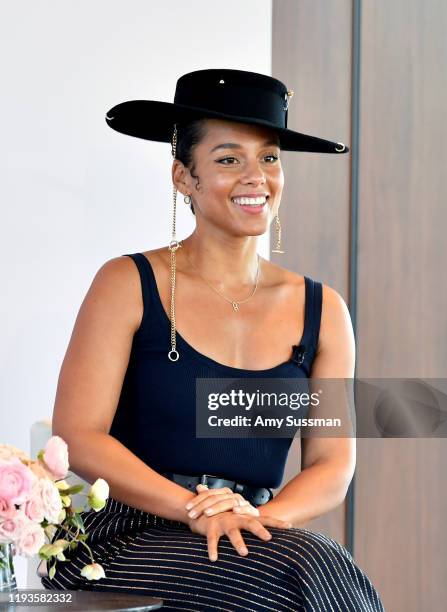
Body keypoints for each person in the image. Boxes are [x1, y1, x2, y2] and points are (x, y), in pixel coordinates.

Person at [41, 69, 385, 611]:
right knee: (301, 571)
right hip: (123, 539)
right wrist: (198, 510)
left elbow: (331, 467)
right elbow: (78, 436)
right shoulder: (127, 282)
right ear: (183, 176)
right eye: (228, 159)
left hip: (255, 535)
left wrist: (253, 519)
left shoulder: (325, 311)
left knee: (308, 563)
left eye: (269, 158)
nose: (256, 177)